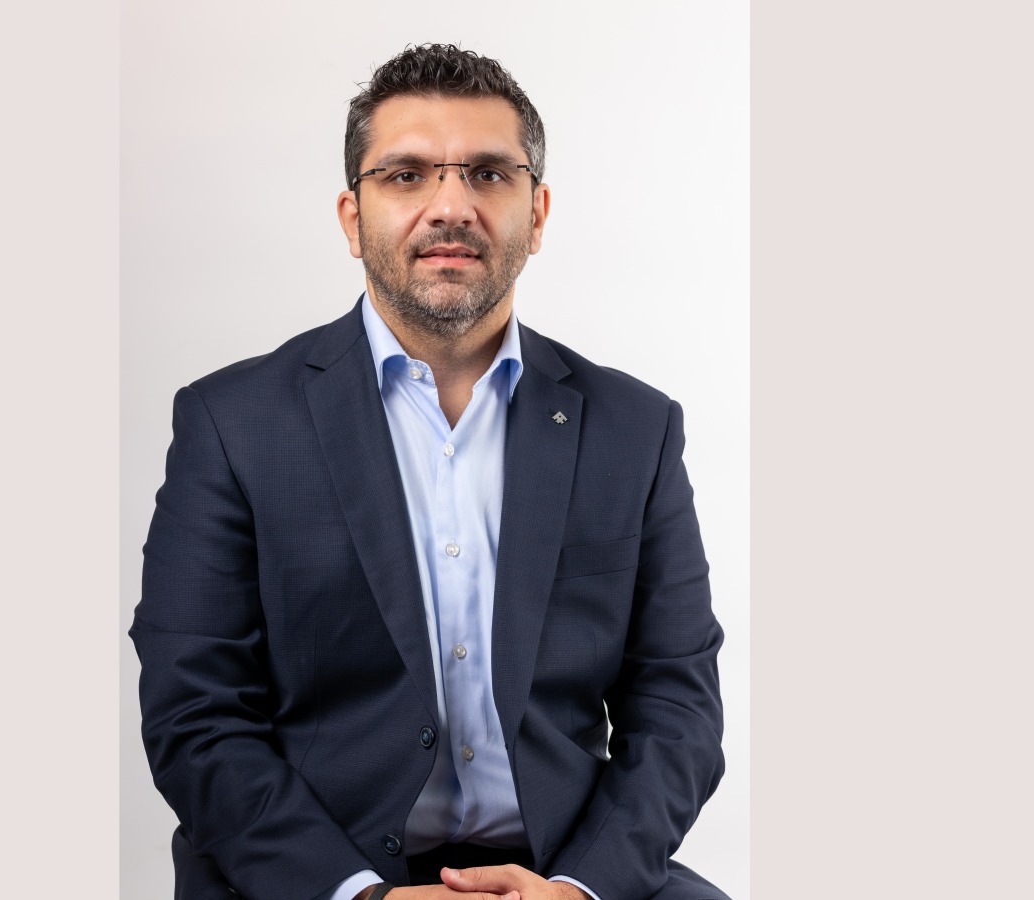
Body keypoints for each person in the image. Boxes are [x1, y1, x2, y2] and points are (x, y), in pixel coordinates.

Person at [131, 44, 728, 900]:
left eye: (488, 174)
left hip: (564, 866)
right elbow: (196, 714)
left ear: (537, 212)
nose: (451, 206)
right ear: (352, 218)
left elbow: (678, 707)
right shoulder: (231, 424)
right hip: (313, 874)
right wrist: (358, 894)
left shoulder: (635, 429)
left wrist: (579, 888)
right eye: (406, 176)